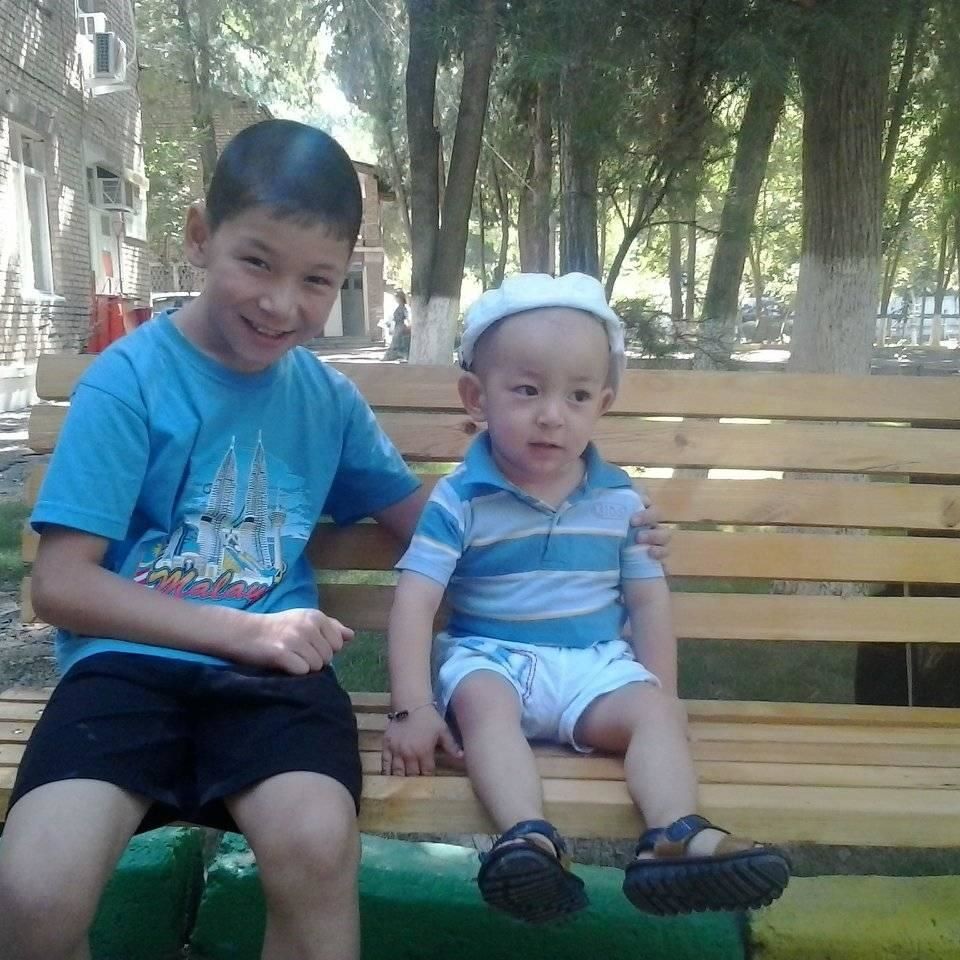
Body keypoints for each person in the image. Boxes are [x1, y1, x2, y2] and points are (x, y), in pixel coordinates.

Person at [0, 119, 428, 960]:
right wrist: (245, 632)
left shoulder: (327, 402)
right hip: (126, 670)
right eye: (257, 262)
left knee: (316, 844)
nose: (282, 304)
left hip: (272, 686)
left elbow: (430, 528)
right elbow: (61, 585)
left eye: (317, 280)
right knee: (33, 891)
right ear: (200, 235)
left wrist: (571, 512)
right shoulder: (128, 382)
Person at [381, 273, 791, 924]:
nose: (552, 414)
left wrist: (662, 695)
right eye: (526, 390)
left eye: (576, 395)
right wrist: (413, 707)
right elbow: (414, 601)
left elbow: (648, 603)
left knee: (653, 713)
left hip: (595, 668)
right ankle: (528, 840)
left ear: (602, 404)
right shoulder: (459, 499)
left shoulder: (620, 502)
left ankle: (674, 835)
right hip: (494, 658)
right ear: (476, 397)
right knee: (483, 706)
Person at [383, 290, 410, 360]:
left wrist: (409, 325)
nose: (396, 299)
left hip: (400, 326)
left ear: (400, 298)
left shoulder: (403, 307)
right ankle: (393, 355)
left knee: (397, 341)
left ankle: (392, 356)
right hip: (397, 326)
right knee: (396, 341)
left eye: (397, 298)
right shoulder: (399, 307)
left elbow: (407, 317)